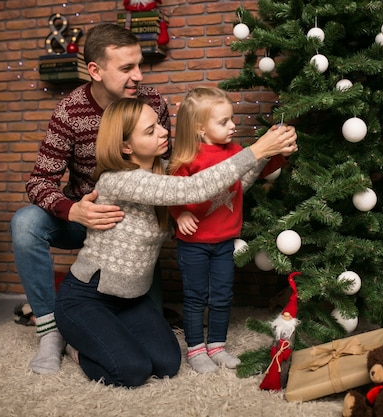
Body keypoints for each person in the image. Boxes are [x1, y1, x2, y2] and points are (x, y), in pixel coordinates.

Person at [54, 98, 298, 387]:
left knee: (167, 365)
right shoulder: (117, 180)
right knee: (132, 371)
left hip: (132, 300)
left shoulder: (165, 169)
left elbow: (226, 187)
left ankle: (109, 334)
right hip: (88, 297)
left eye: (158, 124)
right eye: (149, 131)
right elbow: (193, 188)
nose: (162, 132)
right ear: (125, 146)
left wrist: (263, 157)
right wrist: (256, 150)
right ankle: (77, 347)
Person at [10, 23, 171, 375]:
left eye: (139, 65)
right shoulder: (69, 112)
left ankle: (91, 334)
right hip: (85, 219)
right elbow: (39, 181)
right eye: (127, 68)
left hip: (133, 231)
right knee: (25, 224)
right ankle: (51, 331)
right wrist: (74, 211)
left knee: (154, 344)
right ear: (95, 71)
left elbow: (165, 167)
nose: (138, 76)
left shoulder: (153, 103)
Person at [167, 87, 290, 373]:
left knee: (222, 295)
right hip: (194, 243)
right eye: (223, 122)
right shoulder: (186, 159)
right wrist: (180, 213)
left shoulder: (236, 152)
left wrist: (279, 153)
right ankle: (196, 350)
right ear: (200, 128)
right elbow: (170, 192)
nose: (233, 125)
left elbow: (258, 166)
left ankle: (217, 347)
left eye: (231, 119)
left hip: (225, 241)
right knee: (196, 296)